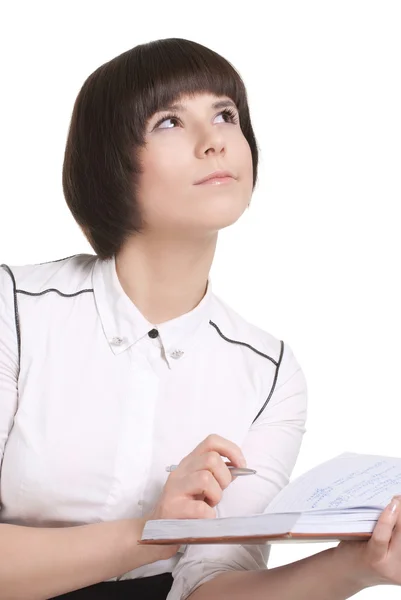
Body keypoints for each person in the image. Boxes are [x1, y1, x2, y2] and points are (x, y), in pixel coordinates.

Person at [0, 37, 400, 600]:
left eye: (225, 114)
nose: (214, 142)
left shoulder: (269, 373)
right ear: (110, 162)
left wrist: (358, 567)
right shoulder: (14, 308)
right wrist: (151, 536)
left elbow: (207, 589)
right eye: (169, 121)